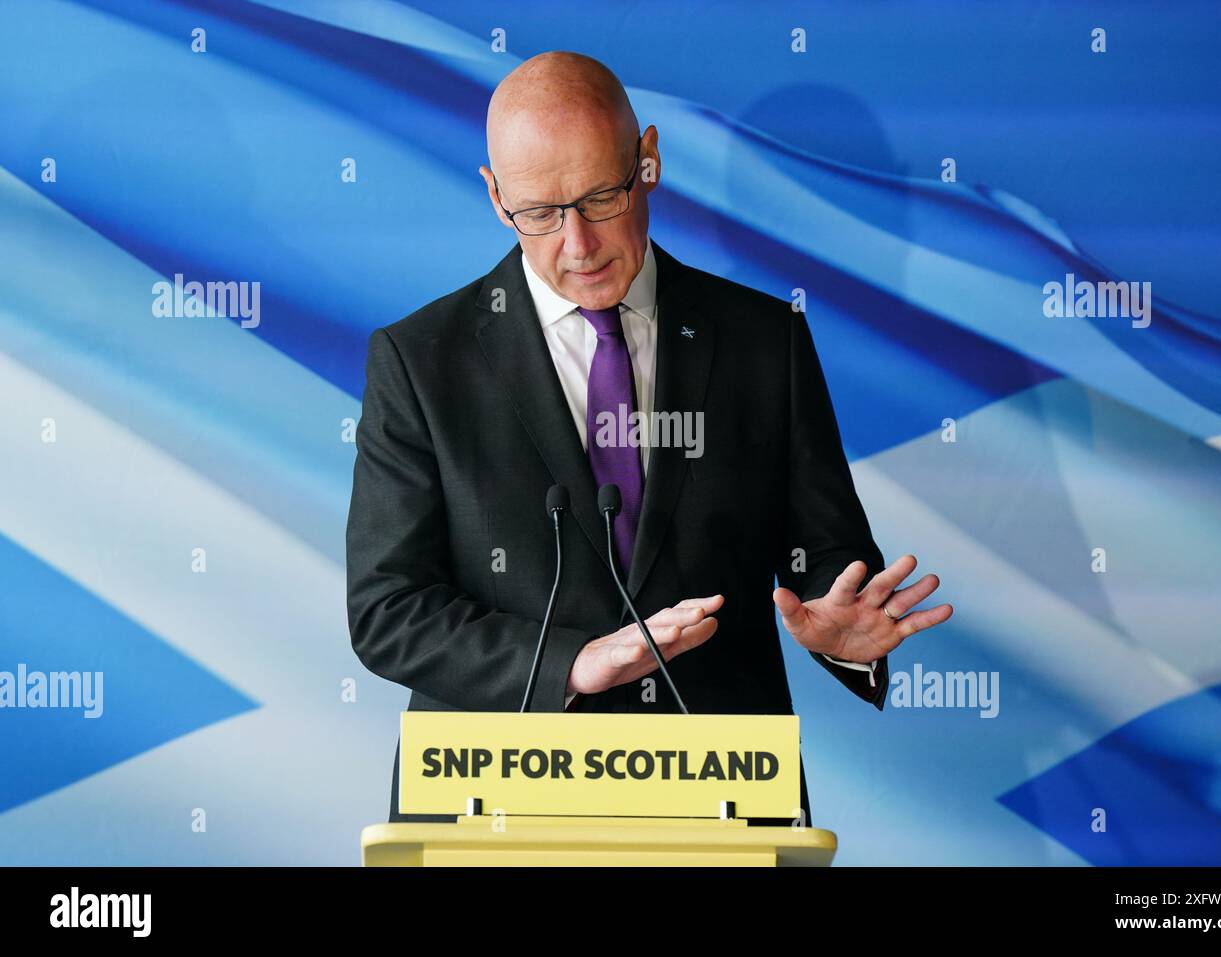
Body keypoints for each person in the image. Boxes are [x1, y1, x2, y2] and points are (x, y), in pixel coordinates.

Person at [345, 51, 953, 827]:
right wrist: (573, 661)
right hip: (493, 807)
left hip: (719, 804)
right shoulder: (421, 361)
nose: (578, 243)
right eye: (540, 212)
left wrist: (841, 632)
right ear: (496, 198)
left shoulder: (766, 342)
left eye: (602, 197)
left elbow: (826, 557)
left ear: (649, 160)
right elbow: (389, 609)